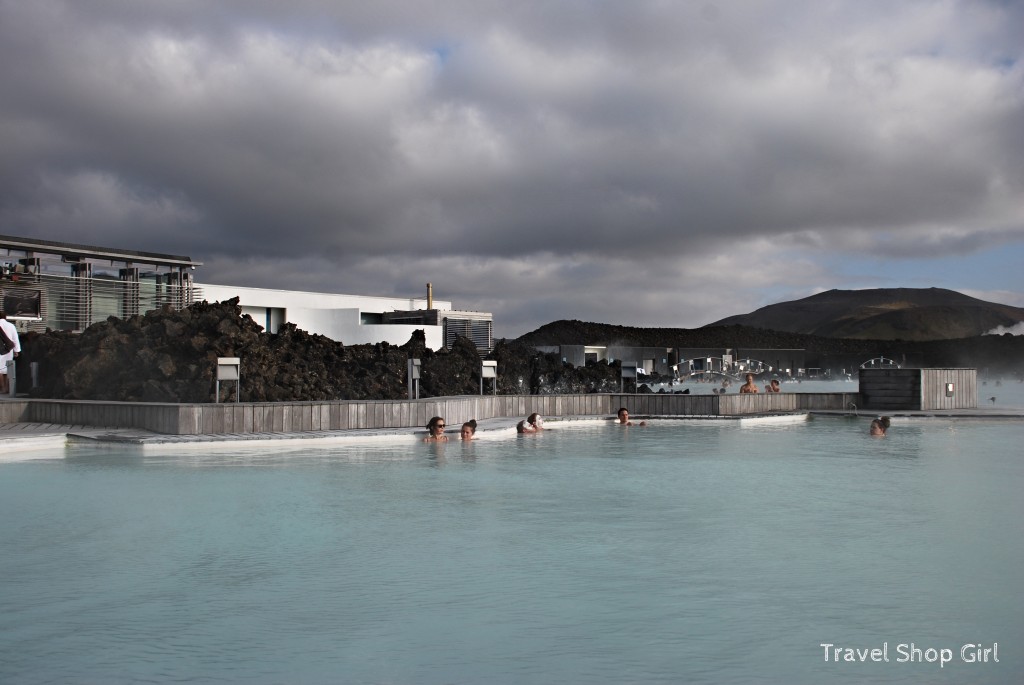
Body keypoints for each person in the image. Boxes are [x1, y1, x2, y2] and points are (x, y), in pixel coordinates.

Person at [0, 310, 21, 395]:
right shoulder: (11, 325)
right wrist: (17, 351)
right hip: (9, 349)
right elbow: (15, 339)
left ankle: (2, 388)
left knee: (0, 370)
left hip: (0, 350)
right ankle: (8, 388)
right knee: (8, 368)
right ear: (5, 317)